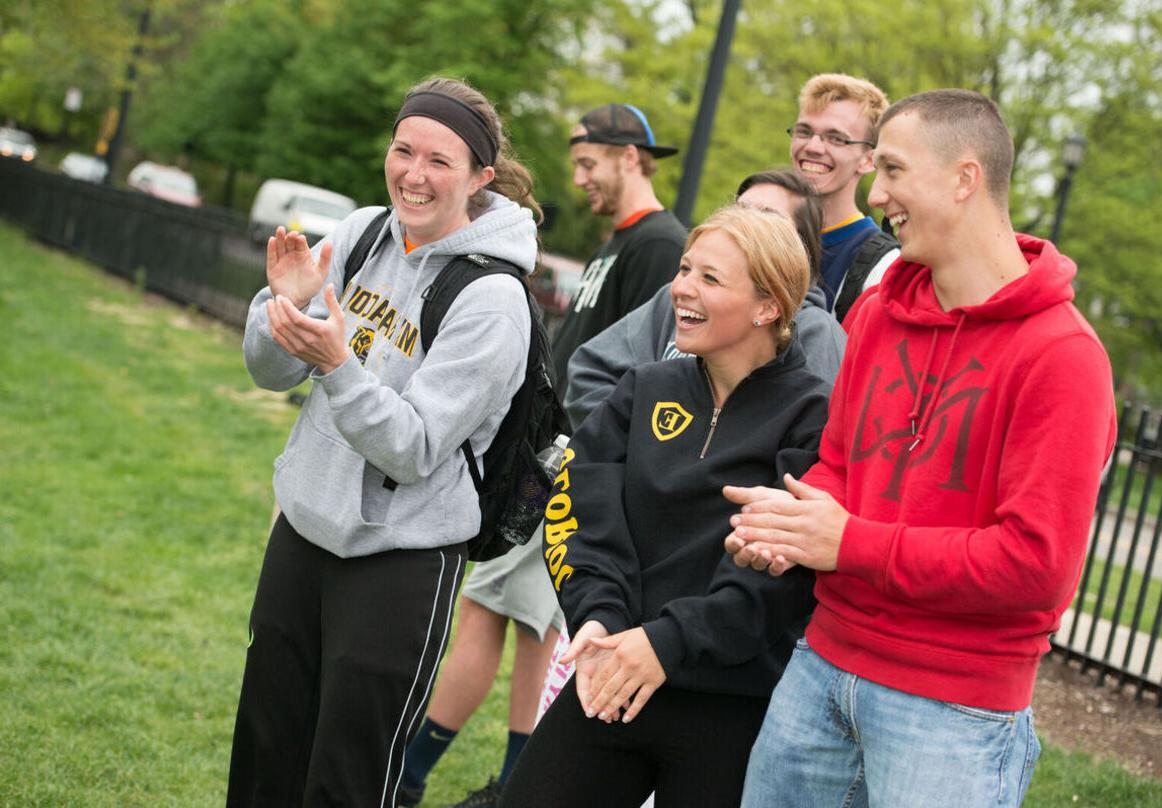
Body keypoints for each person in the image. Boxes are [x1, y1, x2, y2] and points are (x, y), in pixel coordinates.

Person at [725, 89, 1117, 807]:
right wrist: (793, 524)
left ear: (964, 178)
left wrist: (850, 543)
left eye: (895, 172)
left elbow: (1037, 567)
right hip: (822, 664)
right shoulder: (879, 311)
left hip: (953, 708)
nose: (877, 195)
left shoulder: (1063, 356)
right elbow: (843, 463)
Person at [227, 77, 542, 807]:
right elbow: (268, 372)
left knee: (348, 778)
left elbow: (413, 448)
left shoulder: (493, 299)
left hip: (401, 561)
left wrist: (338, 364)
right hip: (305, 535)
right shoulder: (364, 234)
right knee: (264, 750)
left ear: (480, 177)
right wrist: (289, 304)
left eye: (440, 160)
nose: (415, 174)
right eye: (404, 150)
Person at [398, 102, 686, 808]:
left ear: (629, 156)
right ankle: (514, 785)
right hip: (554, 458)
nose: (581, 178)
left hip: (572, 465)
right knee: (534, 629)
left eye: (590, 163)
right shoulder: (620, 240)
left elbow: (652, 368)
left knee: (490, 615)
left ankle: (407, 778)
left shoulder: (657, 245)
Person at [499, 207, 831, 808]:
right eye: (684, 270)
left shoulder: (813, 417)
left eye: (710, 278)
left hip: (729, 707)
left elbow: (782, 576)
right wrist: (598, 614)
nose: (681, 288)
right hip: (615, 672)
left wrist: (667, 643)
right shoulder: (644, 388)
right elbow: (580, 512)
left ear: (768, 307)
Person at [564, 168, 845, 426]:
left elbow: (813, 438)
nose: (741, 224)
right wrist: (636, 446)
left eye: (765, 217)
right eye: (738, 210)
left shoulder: (815, 331)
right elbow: (590, 372)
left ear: (797, 248)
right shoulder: (672, 299)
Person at [788, 73, 900, 320]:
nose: (813, 147)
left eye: (836, 138)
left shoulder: (880, 267)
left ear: (869, 160)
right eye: (804, 132)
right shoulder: (762, 233)